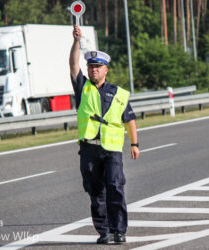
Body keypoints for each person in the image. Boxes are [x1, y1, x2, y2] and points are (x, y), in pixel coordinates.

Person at [69, 25, 140, 244]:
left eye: (98, 67)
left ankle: (119, 230)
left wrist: (135, 144)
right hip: (89, 149)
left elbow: (130, 119)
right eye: (91, 67)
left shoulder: (118, 93)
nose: (93, 70)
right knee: (96, 192)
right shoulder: (83, 87)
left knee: (115, 188)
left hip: (112, 150)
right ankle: (104, 231)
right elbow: (73, 65)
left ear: (106, 69)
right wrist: (76, 42)